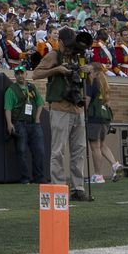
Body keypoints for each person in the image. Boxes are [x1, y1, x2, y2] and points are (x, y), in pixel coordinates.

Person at [34, 37, 90, 201]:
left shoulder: (78, 56)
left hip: (77, 107)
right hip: (60, 107)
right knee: (58, 150)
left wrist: (88, 70)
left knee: (79, 149)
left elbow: (87, 78)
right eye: (68, 46)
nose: (70, 50)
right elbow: (37, 74)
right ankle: (58, 187)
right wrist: (56, 70)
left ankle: (77, 188)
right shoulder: (53, 55)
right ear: (61, 42)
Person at [3, 66, 45, 184]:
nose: (20, 75)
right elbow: (8, 108)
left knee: (39, 151)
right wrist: (9, 123)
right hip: (19, 123)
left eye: (22, 73)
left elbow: (40, 103)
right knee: (21, 151)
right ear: (15, 76)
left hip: (34, 124)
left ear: (26, 75)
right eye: (18, 74)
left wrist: (37, 118)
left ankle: (39, 177)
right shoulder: (11, 90)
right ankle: (25, 178)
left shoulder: (31, 87)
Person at [85, 71, 120, 184]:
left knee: (95, 147)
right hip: (105, 117)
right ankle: (115, 164)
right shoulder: (104, 85)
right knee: (102, 144)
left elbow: (87, 101)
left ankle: (98, 175)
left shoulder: (91, 83)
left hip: (94, 117)